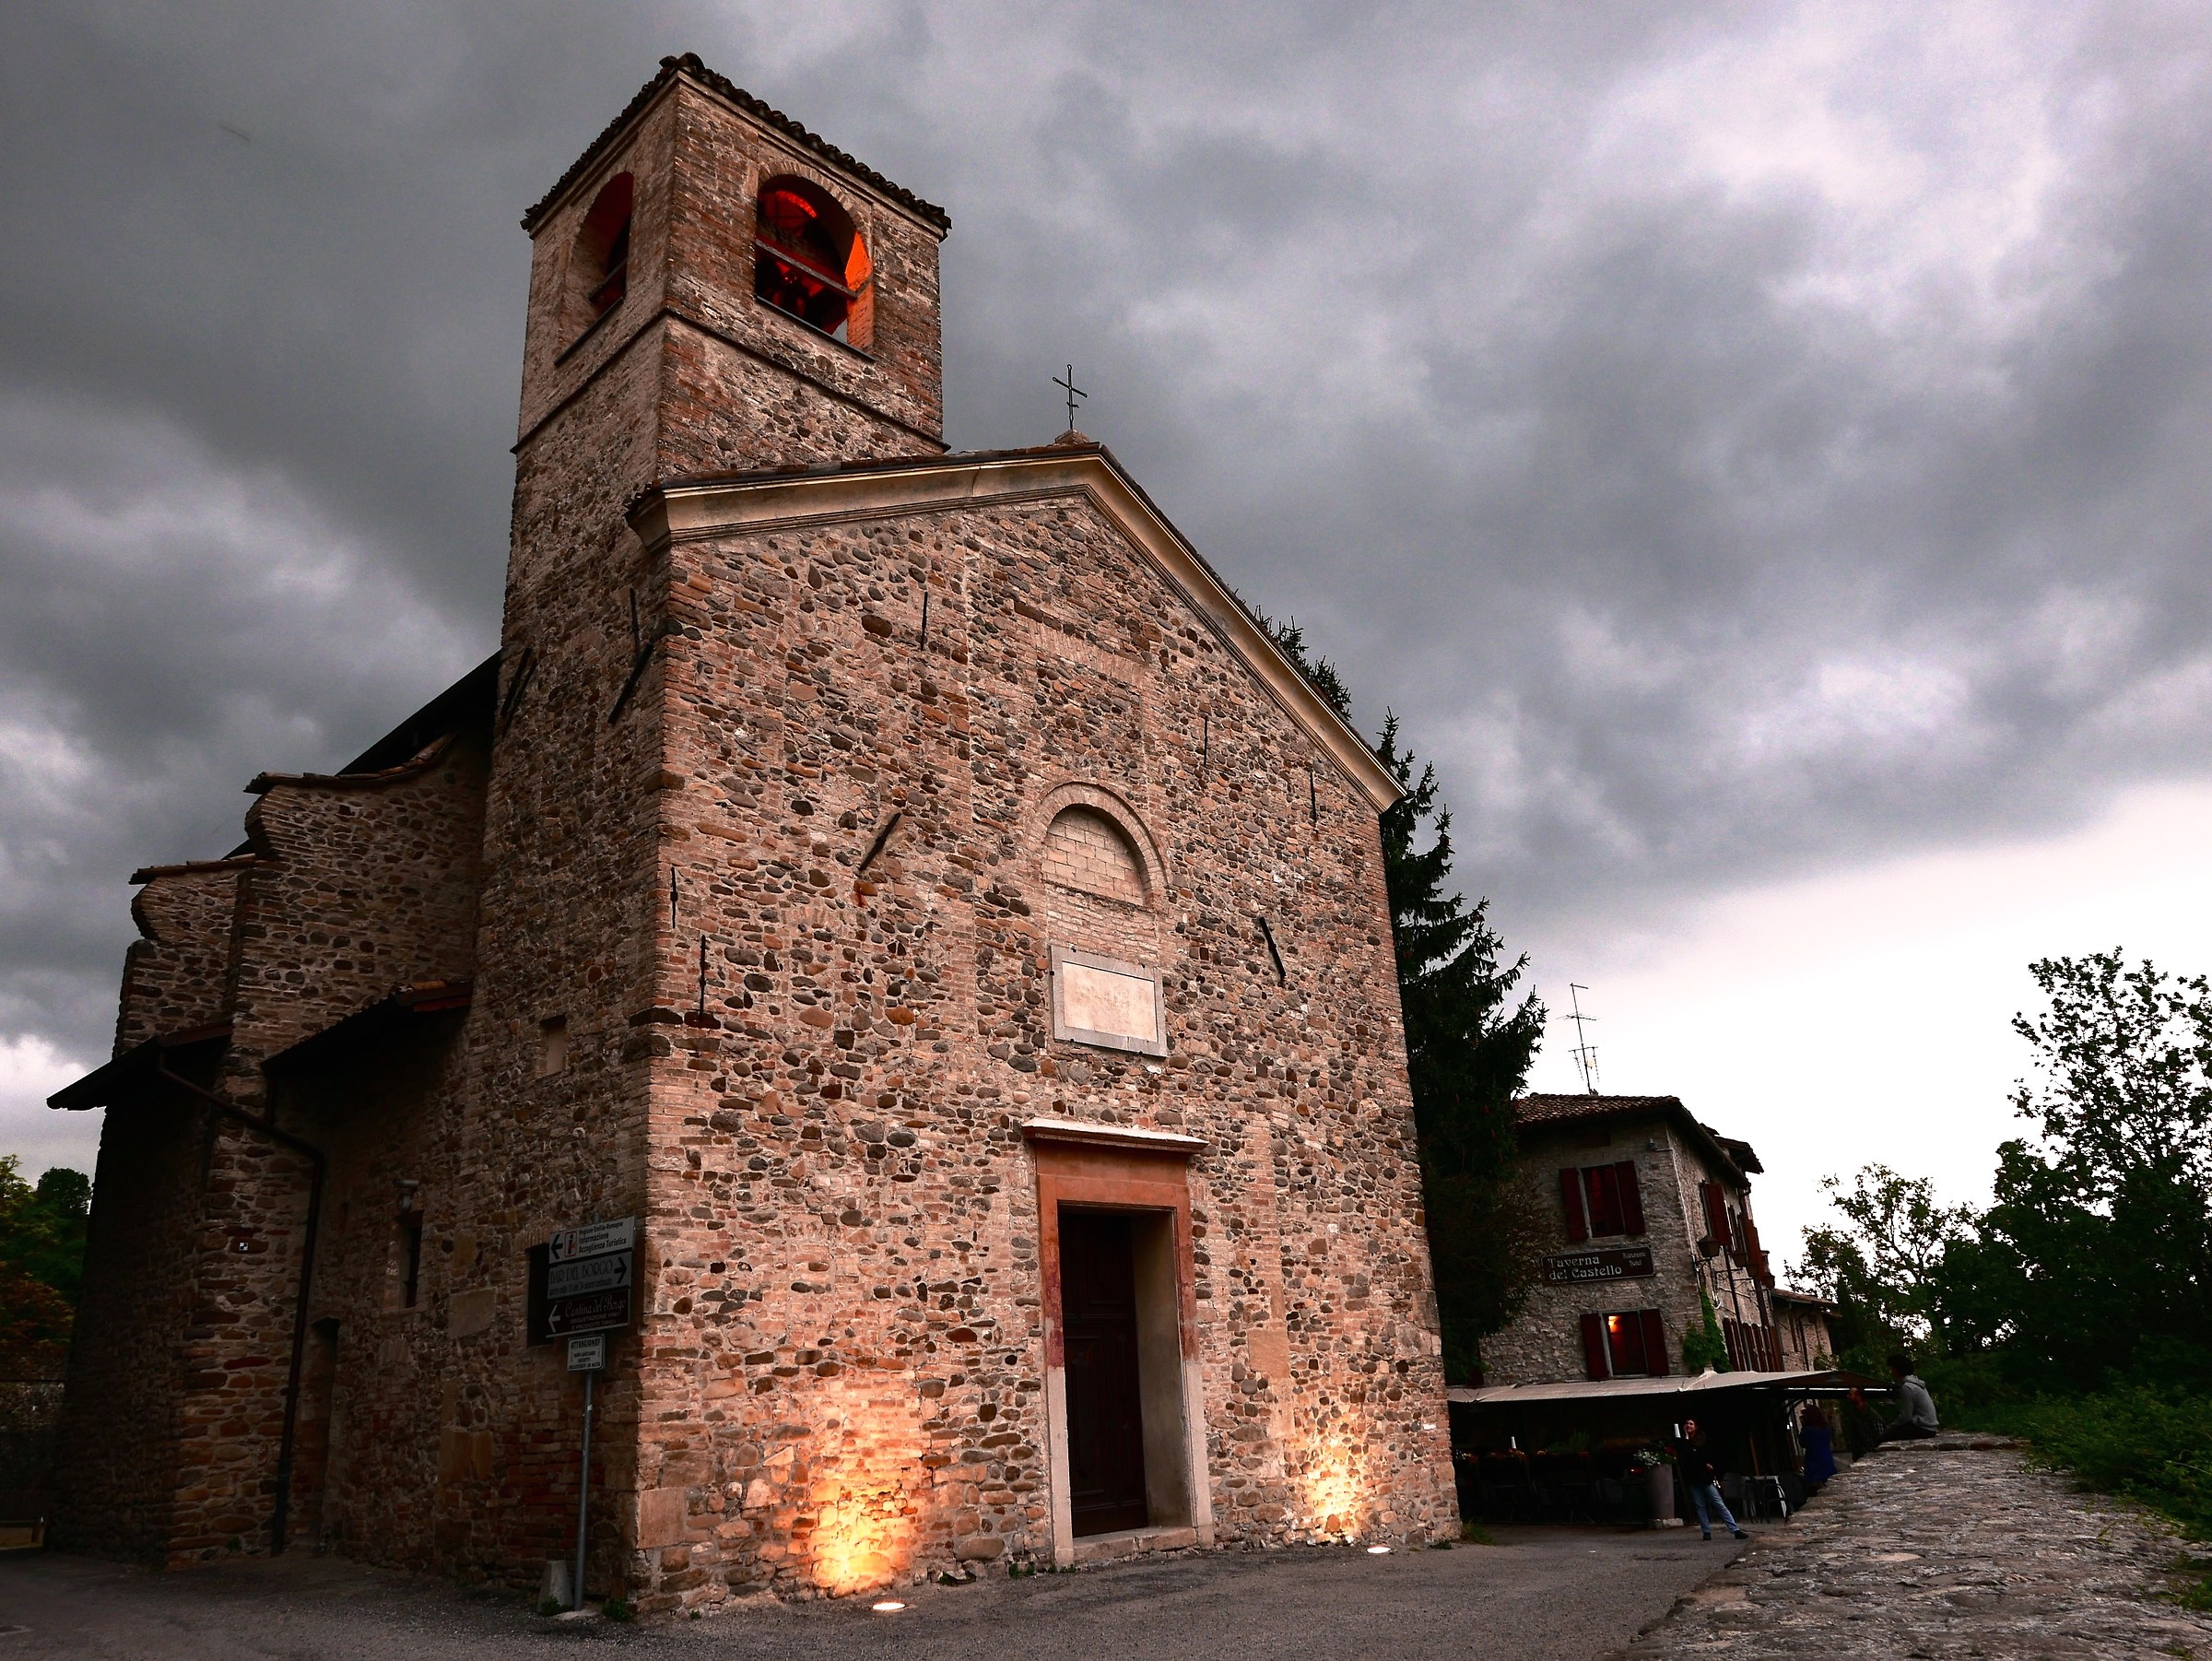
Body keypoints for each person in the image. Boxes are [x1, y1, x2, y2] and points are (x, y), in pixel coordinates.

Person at [1673, 1419, 1748, 1541]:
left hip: (1704, 1477)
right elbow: (1684, 1454)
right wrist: (1685, 1438)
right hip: (1692, 1478)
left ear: (1696, 1426)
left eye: (1691, 1424)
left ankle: (1735, 1529)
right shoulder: (1683, 1442)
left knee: (1718, 1503)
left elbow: (1704, 1454)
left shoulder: (1701, 1440)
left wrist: (1710, 1466)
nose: (1688, 1426)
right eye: (1686, 1424)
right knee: (1700, 1506)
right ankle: (1706, 1531)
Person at [1880, 1351, 1939, 1441]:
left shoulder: (1907, 1387)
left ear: (1897, 1369)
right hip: (1929, 1427)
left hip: (1923, 1428)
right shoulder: (1915, 1384)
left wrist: (1892, 1426)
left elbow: (1906, 1416)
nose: (1891, 1371)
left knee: (1882, 1438)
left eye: (1892, 1368)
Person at [1798, 1402, 1837, 1493]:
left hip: (1814, 1468)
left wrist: (1804, 1427)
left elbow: (1802, 1443)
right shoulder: (1826, 1430)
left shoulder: (1808, 1431)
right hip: (1828, 1465)